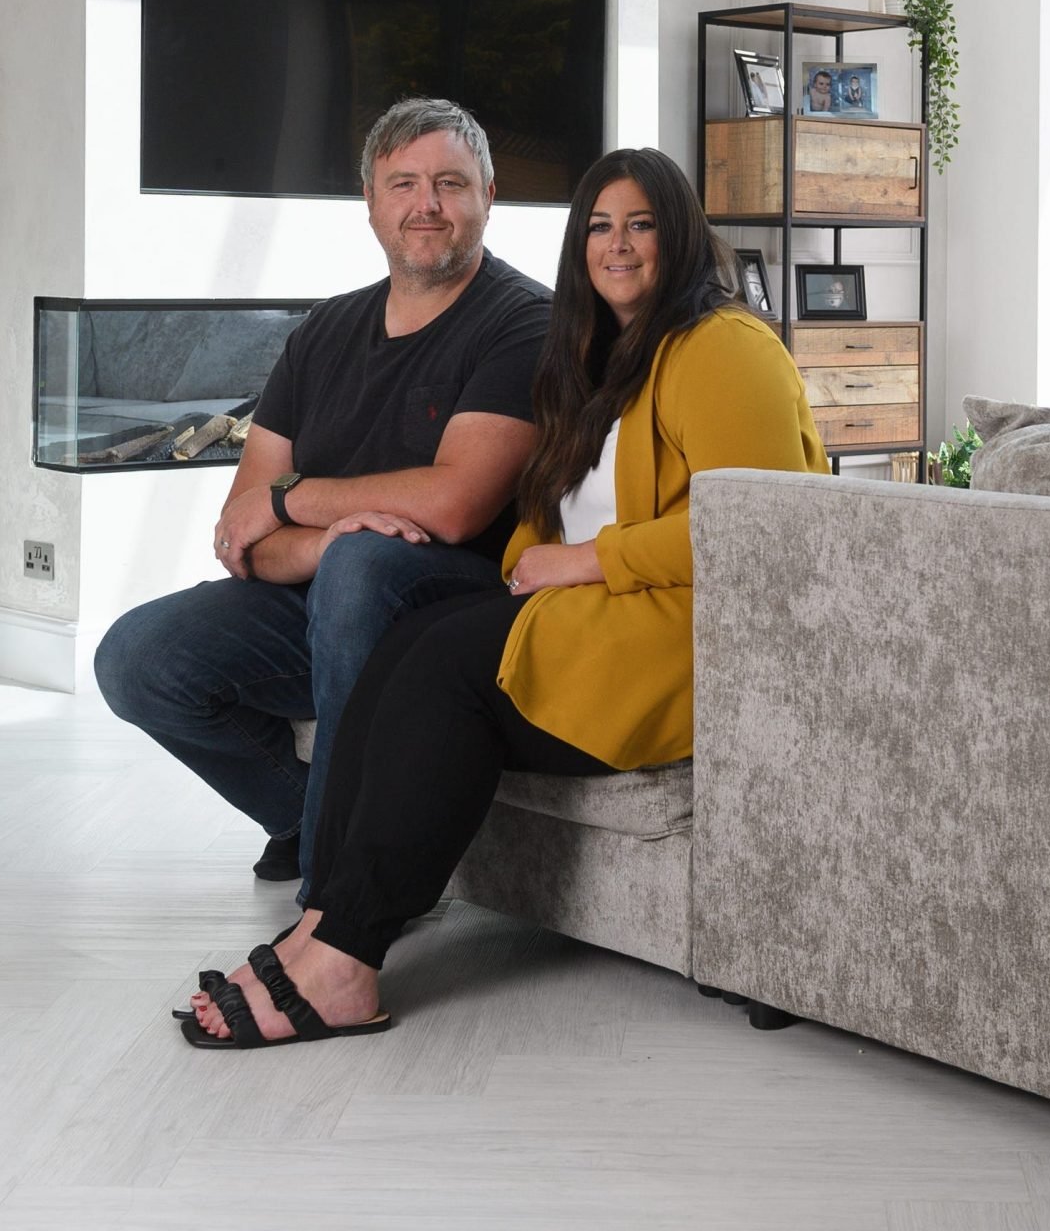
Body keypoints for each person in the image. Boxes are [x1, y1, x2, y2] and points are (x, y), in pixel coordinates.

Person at [179, 146, 828, 1049]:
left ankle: (345, 964)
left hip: (683, 631)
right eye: (599, 226)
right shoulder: (604, 353)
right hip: (600, 612)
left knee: (444, 672)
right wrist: (532, 560)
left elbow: (759, 528)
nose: (619, 245)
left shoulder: (724, 347)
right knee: (413, 643)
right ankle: (325, 922)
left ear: (679, 236)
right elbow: (551, 501)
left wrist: (584, 562)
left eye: (641, 224)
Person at [96, 99, 549, 891]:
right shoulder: (323, 331)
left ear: (488, 196)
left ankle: (339, 901)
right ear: (370, 202)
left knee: (364, 566)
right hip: (321, 598)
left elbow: (453, 508)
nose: (427, 204)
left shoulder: (525, 322)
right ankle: (312, 816)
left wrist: (294, 500)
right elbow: (245, 526)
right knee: (137, 657)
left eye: (450, 183)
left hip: (456, 610)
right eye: (402, 183)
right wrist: (315, 534)